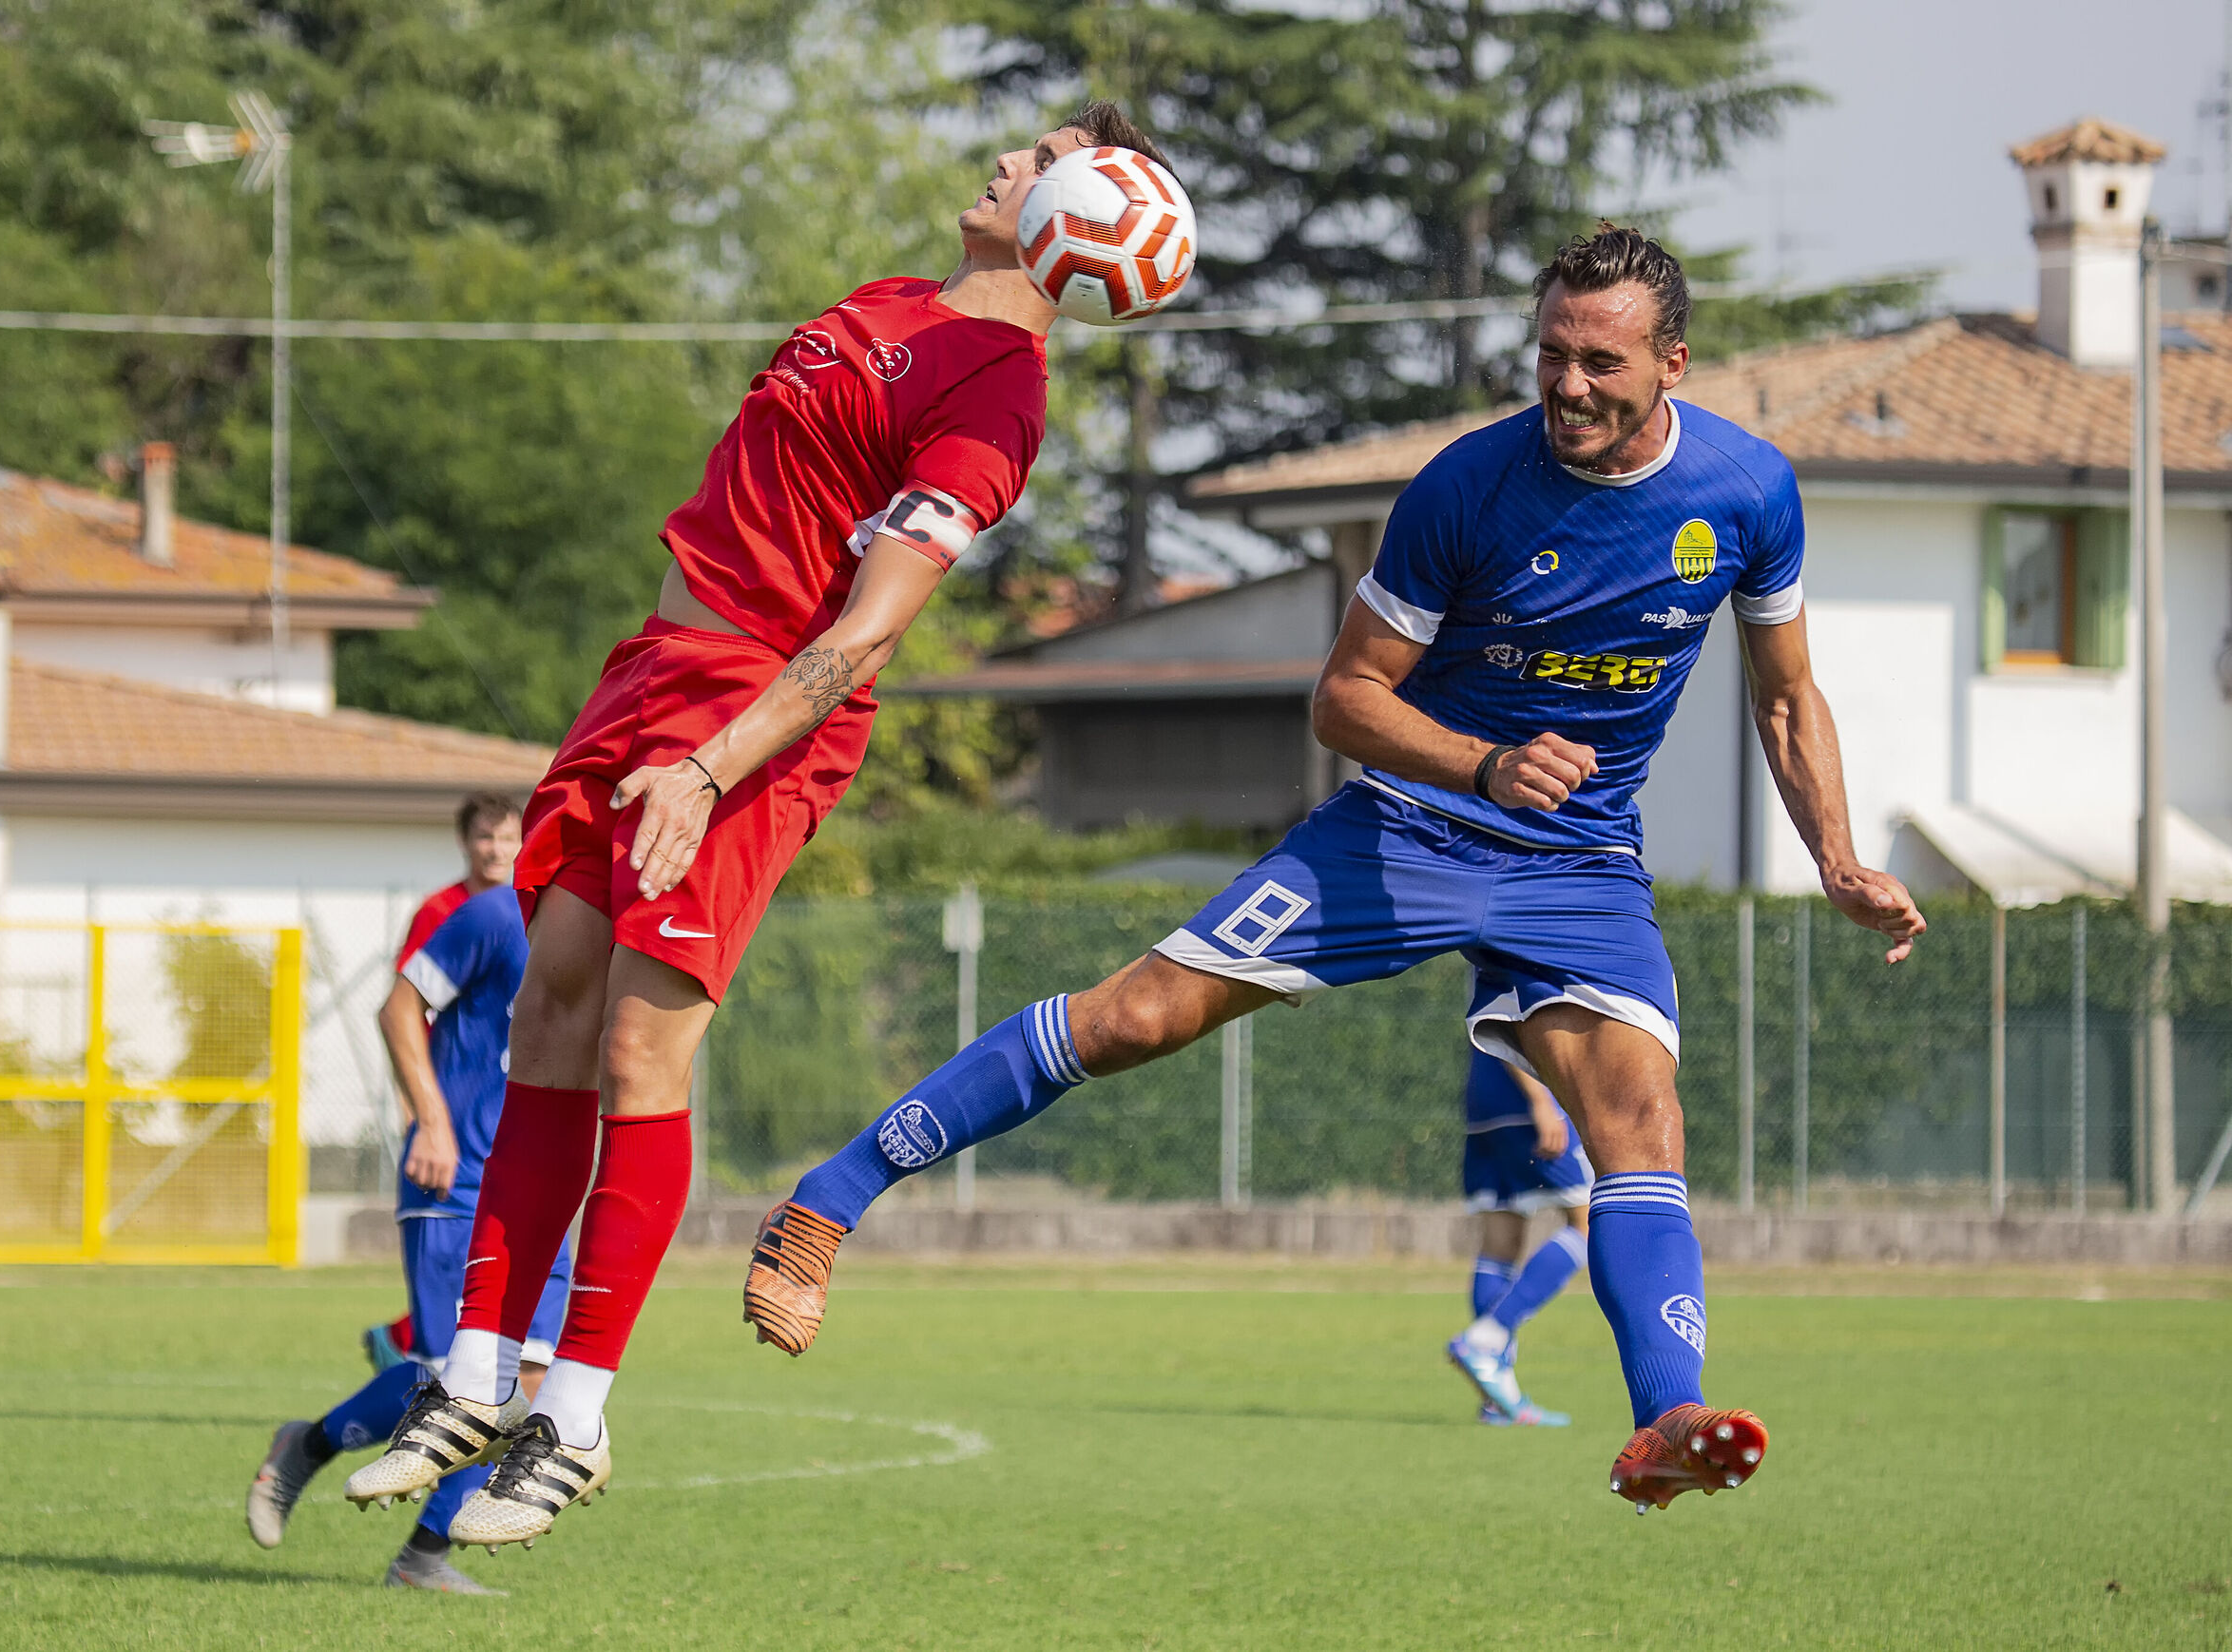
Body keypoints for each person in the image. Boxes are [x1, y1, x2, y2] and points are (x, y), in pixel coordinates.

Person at [747, 223, 1928, 1514]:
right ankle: (828, 1198)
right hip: (1412, 827)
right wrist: (1481, 765)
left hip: (1581, 860)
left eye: (1601, 361)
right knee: (1137, 1015)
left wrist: (1840, 857)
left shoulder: (1750, 492)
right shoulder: (1467, 488)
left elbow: (1787, 694)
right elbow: (1345, 696)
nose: (1568, 385)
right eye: (1551, 353)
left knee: (1640, 1122)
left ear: (1674, 365)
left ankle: (1666, 1418)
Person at [343, 100, 1176, 1553]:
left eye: (1037, 157)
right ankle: (473, 1374)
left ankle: (577, 1414)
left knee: (635, 1049)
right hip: (651, 676)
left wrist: (709, 768)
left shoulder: (997, 392)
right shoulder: (883, 304)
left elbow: (864, 636)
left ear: (1088, 214)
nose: (1001, 157)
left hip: (747, 718)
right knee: (547, 1010)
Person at [246, 877, 568, 1591]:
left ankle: (422, 1558)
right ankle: (308, 1445)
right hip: (453, 1181)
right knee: (455, 1380)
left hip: (538, 1192)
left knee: (531, 1383)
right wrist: (431, 1116)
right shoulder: (493, 913)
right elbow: (398, 1007)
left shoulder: (604, 924)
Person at [361, 794, 526, 1375]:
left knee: (523, 1361)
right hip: (454, 1115)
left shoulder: (540, 914)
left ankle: (397, 1349)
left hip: (510, 1140)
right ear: (464, 842)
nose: (497, 849)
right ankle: (404, 1354)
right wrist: (425, 1112)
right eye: (486, 838)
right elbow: (408, 1009)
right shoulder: (448, 912)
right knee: (452, 1366)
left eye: (507, 837)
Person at [1446, 1051, 1590, 1428]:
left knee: (1501, 1241)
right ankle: (1486, 1338)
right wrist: (1542, 1100)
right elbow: (1515, 1011)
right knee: (1588, 1223)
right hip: (1524, 1098)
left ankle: (1496, 1400)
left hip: (1484, 1102)